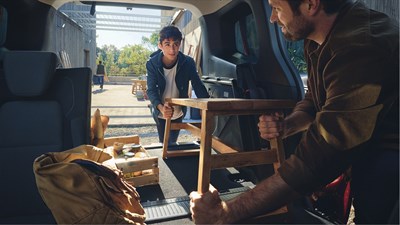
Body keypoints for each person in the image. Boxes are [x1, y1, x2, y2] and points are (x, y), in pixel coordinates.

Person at [190, 0, 399, 224]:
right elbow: (315, 99)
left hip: (389, 154)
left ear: (311, 4)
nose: (272, 18)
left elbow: (322, 155)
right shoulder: (317, 40)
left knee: (378, 182)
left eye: (277, 8)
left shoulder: (361, 46)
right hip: (368, 147)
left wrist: (226, 213)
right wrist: (289, 124)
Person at [146, 25, 209, 144]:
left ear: (180, 44)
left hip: (179, 111)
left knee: (172, 143)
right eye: (167, 44)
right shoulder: (152, 64)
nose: (172, 49)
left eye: (176, 44)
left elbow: (197, 85)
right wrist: (160, 108)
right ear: (160, 45)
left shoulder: (188, 62)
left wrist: (206, 104)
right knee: (163, 143)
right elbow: (151, 90)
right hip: (160, 111)